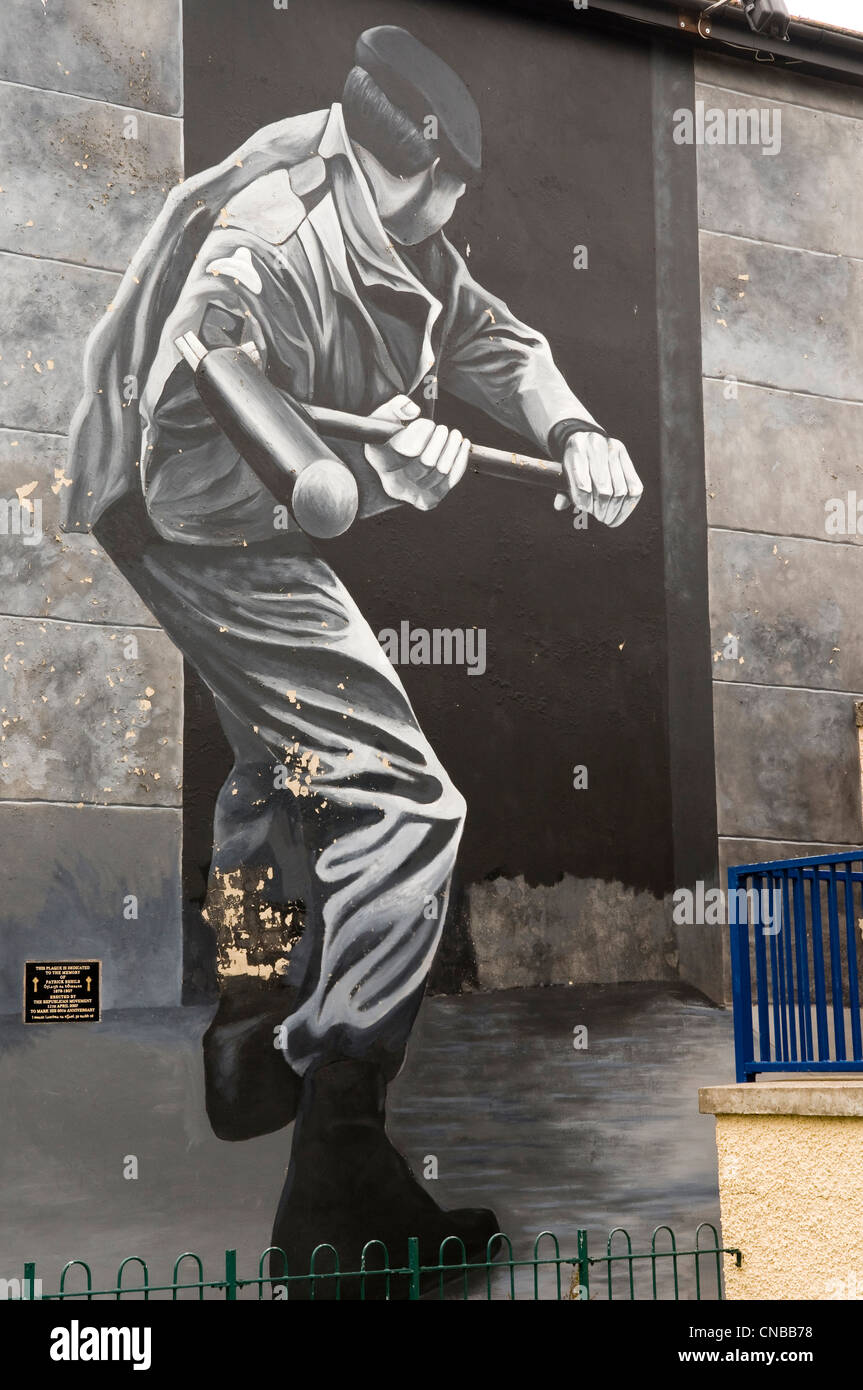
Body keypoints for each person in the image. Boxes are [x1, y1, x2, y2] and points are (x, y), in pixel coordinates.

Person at [62, 25, 642, 1292]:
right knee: (402, 798)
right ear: (431, 168)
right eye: (455, 196)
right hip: (192, 519)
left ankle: (246, 1027)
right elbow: (201, 431)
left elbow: (491, 339)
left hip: (222, 515)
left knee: (280, 771)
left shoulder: (387, 218)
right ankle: (339, 1168)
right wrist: (362, 472)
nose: (456, 219)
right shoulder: (269, 246)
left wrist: (576, 430)